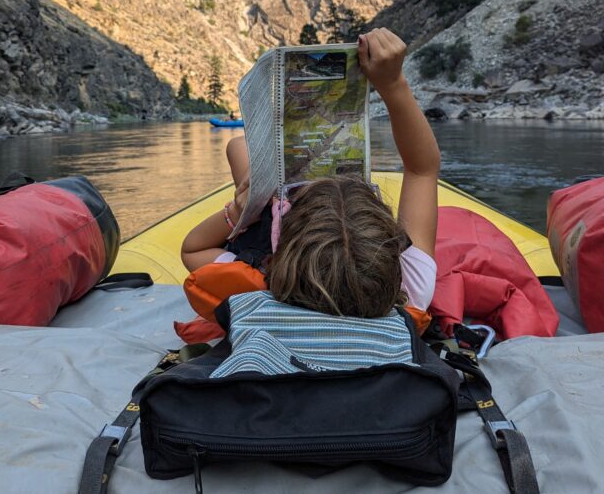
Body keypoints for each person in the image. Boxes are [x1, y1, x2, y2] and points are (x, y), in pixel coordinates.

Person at [180, 28, 439, 316]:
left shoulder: (267, 285)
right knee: (240, 151)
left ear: (278, 258)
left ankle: (259, 198)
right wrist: (393, 84)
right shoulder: (410, 292)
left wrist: (240, 211)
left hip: (268, 221)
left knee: (238, 148)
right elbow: (422, 170)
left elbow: (192, 249)